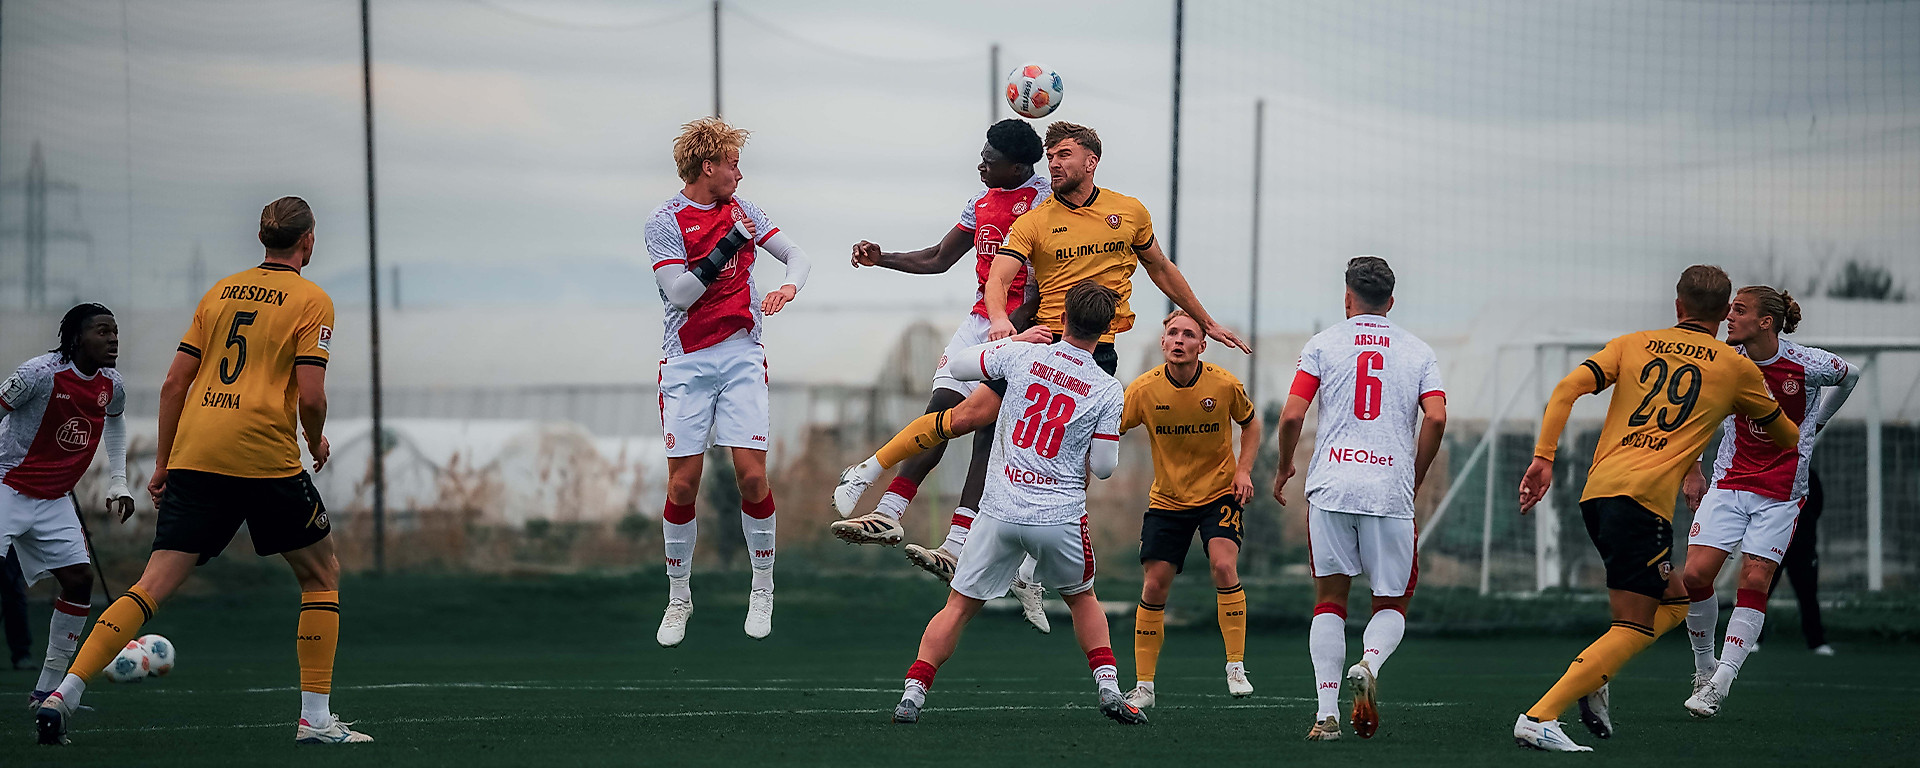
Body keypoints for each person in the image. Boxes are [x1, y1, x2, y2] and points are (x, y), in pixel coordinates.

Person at [37, 197, 368, 745]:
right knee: (320, 576)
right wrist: (314, 439)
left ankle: (63, 693)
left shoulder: (219, 292)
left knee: (151, 585)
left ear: (263, 239)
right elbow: (311, 393)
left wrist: (166, 461)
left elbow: (173, 385)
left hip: (197, 451)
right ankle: (315, 720)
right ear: (308, 240)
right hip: (263, 456)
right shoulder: (313, 301)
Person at [833, 121, 1248, 524]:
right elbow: (997, 274)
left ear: (1092, 162)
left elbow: (1160, 267)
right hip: (1034, 337)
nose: (1055, 163)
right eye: (1051, 156)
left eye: (1064, 155)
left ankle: (999, 554)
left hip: (1093, 349)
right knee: (966, 416)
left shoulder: (1128, 211)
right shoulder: (1034, 218)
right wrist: (1000, 322)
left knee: (1068, 454)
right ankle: (872, 476)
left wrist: (1204, 319)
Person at [1511, 265, 1797, 753]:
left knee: (1676, 600)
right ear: (1725, 312)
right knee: (1634, 624)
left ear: (1678, 306)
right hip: (1641, 505)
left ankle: (1593, 677)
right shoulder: (1736, 369)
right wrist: (1749, 405)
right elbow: (1787, 436)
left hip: (1598, 493)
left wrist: (1544, 459)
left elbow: (1565, 391)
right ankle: (1540, 716)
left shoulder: (1634, 342)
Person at [830, 118, 1053, 632]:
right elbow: (937, 257)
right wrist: (880, 257)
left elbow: (1040, 290)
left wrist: (1010, 336)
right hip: (980, 323)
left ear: (1018, 167)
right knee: (941, 414)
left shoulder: (1044, 202)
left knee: (985, 436)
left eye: (990, 157)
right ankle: (888, 514)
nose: (980, 162)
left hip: (1023, 331)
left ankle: (956, 545)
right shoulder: (980, 202)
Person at [890, 282, 1142, 726]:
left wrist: (1016, 338)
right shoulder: (1107, 388)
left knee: (958, 607)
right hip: (1059, 517)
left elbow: (961, 364)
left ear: (1062, 317)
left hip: (999, 512)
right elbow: (1103, 467)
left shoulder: (1024, 355)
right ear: (1106, 331)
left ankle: (913, 694)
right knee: (1083, 599)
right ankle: (1108, 688)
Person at [646, 117, 812, 648]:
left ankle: (762, 586)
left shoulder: (745, 210)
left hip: (742, 354)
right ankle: (679, 598)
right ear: (708, 166)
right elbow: (680, 295)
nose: (740, 173)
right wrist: (725, 250)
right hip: (687, 360)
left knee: (751, 477)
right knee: (681, 485)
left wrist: (787, 287)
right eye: (733, 163)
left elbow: (797, 255)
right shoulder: (665, 219)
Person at [1272, 257, 1446, 741]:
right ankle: (1368, 664)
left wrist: (1286, 465)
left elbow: (1291, 417)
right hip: (1388, 490)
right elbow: (1435, 418)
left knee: (1330, 601)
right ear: (1390, 302)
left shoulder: (1324, 344)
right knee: (1392, 601)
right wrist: (1414, 475)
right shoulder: (1418, 352)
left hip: (1331, 487)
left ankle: (1326, 716)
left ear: (1347, 298)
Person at [1678, 286, 1856, 717]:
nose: (1729, 317)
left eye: (1739, 310)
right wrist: (1693, 469)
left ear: (1765, 323)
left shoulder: (1807, 363)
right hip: (1730, 481)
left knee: (1754, 582)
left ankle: (1719, 685)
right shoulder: (1727, 361)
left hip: (1781, 492)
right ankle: (1705, 667)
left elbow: (1849, 374)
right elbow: (1700, 415)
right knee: (1695, 577)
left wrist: (1817, 422)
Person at [1119, 310, 1263, 709]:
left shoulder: (1224, 383)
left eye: (1188, 334)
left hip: (1219, 494)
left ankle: (1236, 666)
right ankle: (1144, 687)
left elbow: (1251, 424)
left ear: (1202, 345)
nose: (1179, 340)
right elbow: (1109, 428)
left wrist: (1244, 470)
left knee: (1223, 565)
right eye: (1172, 333)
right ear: (1163, 342)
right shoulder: (1144, 391)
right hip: (1167, 501)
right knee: (1153, 586)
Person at [1, 304, 132, 708]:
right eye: (101, 332)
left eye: (114, 332)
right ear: (76, 338)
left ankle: (45, 693)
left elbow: (115, 419)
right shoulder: (37, 374)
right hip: (6, 485)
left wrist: (119, 482)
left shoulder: (112, 383)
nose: (112, 339)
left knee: (79, 581)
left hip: (54, 498)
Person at [1765, 468, 1832, 655]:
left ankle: (1817, 641)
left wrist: (1804, 531)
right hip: (1772, 544)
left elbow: (1816, 506)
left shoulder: (1810, 476)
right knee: (1759, 592)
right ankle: (1750, 639)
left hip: (1803, 547)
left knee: (1808, 596)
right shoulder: (1772, 474)